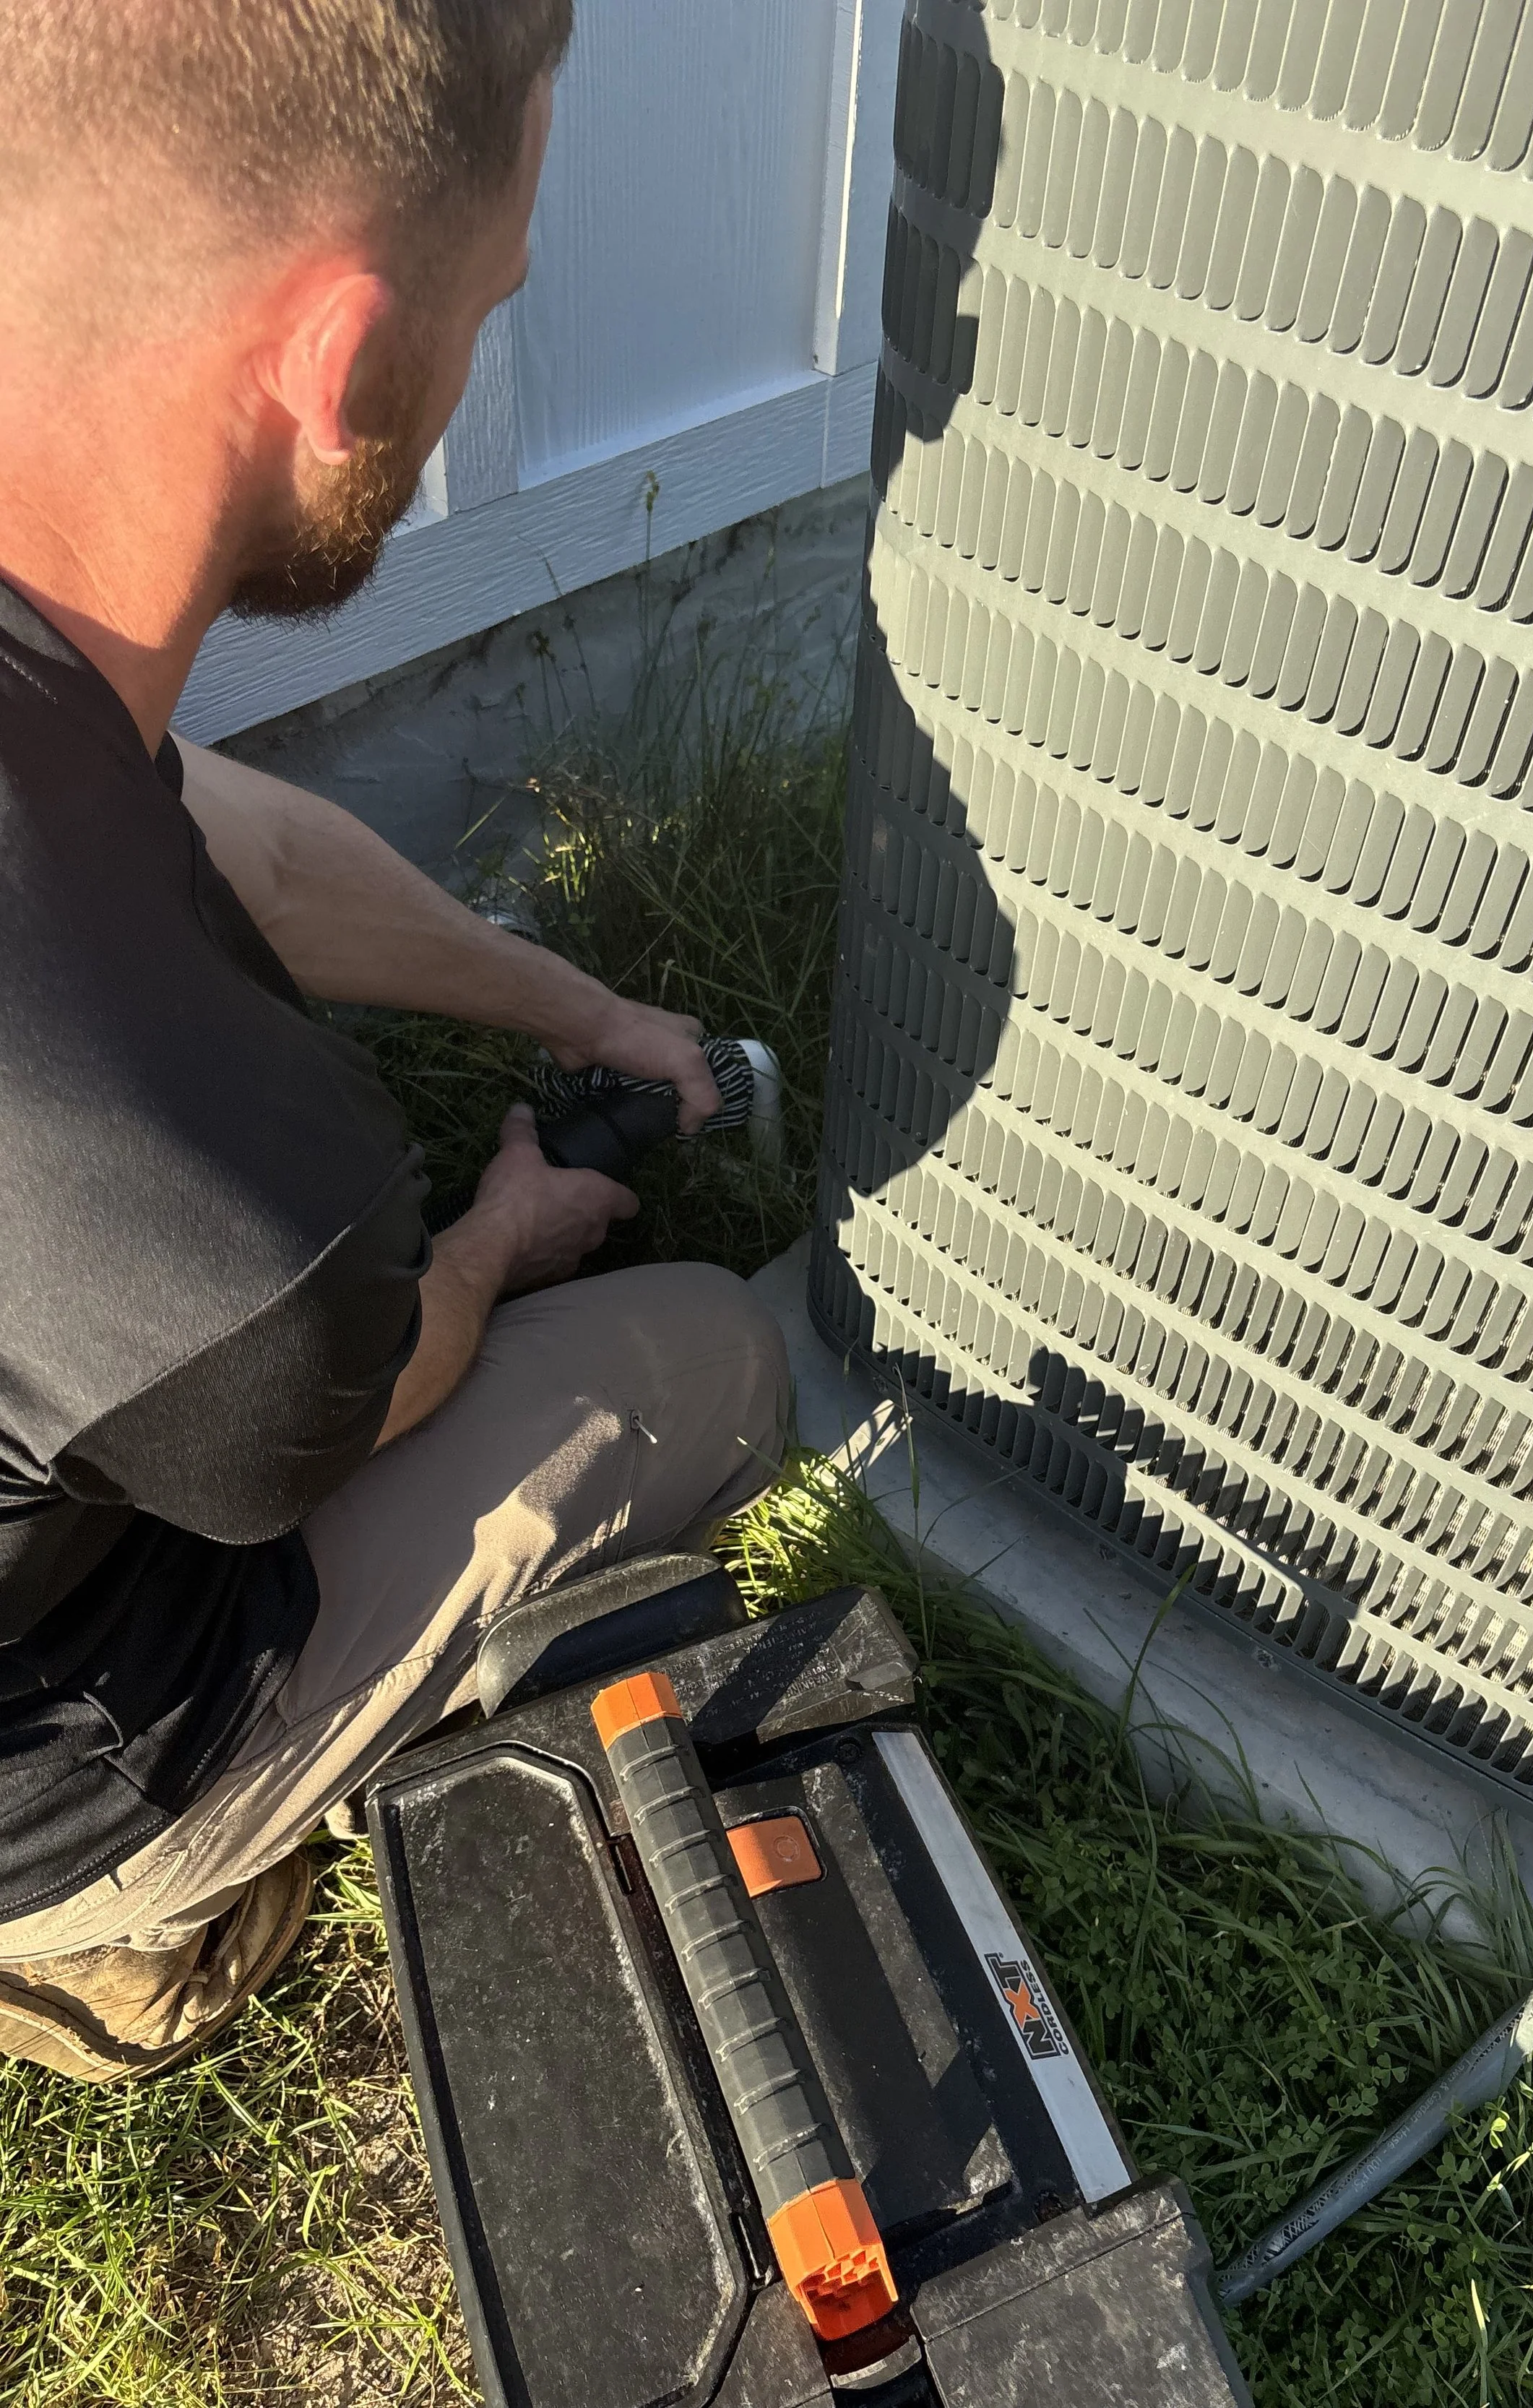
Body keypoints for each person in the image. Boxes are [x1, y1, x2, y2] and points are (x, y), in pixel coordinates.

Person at [0, 1, 789, 2081]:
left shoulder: (60, 746)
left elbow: (212, 825)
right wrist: (503, 1231)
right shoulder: (226, 1198)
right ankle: (114, 1938)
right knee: (715, 1353)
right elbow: (344, 1393)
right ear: (341, 361)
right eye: (487, 295)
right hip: (62, 1742)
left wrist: (589, 1009)